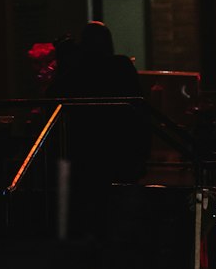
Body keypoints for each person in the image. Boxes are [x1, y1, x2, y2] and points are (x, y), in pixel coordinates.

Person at [47, 20, 150, 257]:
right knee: (115, 217)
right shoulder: (120, 66)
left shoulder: (79, 69)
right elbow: (140, 109)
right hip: (117, 150)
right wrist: (142, 152)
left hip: (84, 152)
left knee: (90, 215)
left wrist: (66, 60)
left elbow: (54, 94)